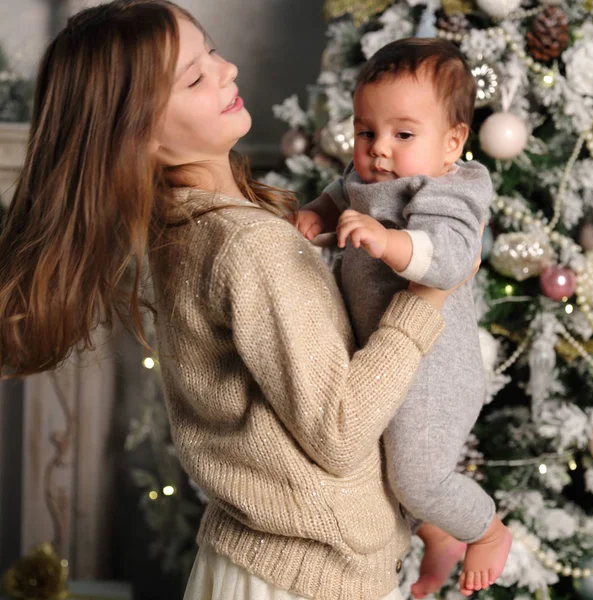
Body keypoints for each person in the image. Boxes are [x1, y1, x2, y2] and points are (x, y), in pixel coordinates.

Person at [0, 5, 479, 599]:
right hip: (303, 580)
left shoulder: (191, 225)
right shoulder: (248, 246)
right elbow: (338, 428)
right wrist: (423, 300)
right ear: (140, 133)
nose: (226, 71)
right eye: (195, 78)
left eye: (212, 51)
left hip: (262, 563)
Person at [296, 38, 512, 598]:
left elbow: (449, 258)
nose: (379, 150)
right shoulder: (365, 177)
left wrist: (389, 241)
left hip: (436, 372)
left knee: (417, 477)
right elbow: (336, 193)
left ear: (453, 142)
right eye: (367, 132)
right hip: (386, 359)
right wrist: (315, 214)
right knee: (382, 471)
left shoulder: (446, 190)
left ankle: (485, 530)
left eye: (403, 134)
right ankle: (438, 535)